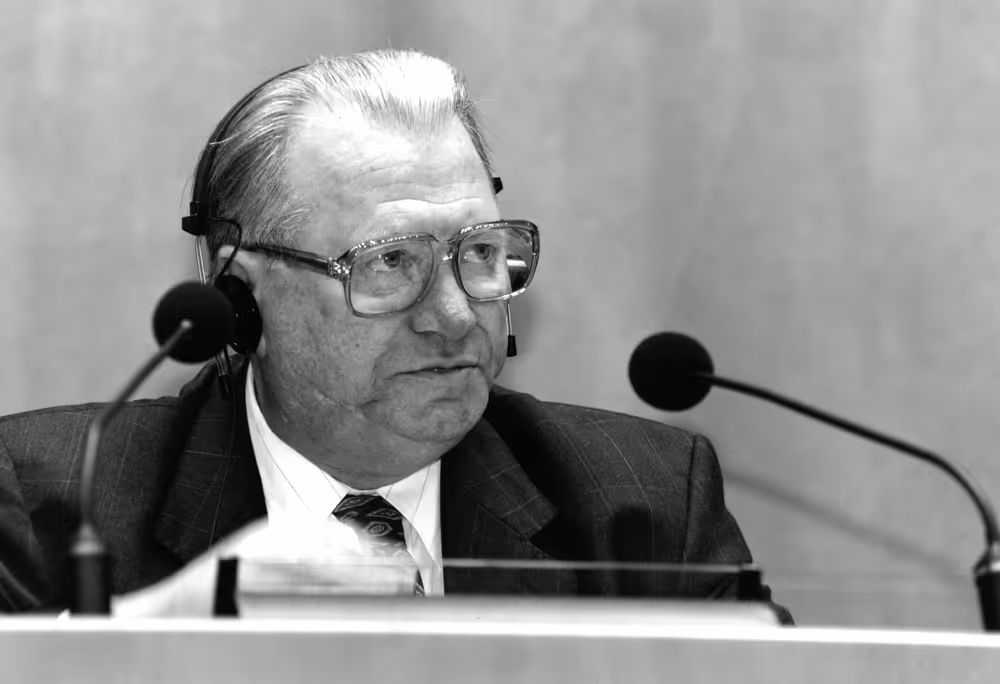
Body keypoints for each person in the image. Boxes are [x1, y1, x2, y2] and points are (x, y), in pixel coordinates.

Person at [0, 50, 788, 620]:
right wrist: (151, 636)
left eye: (479, 254)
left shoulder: (642, 506)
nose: (452, 314)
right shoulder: (49, 503)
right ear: (242, 293)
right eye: (389, 264)